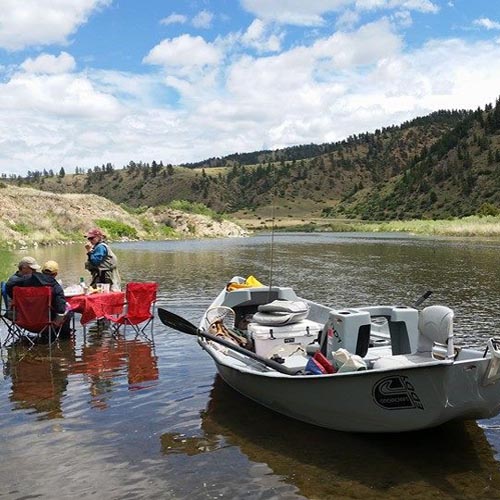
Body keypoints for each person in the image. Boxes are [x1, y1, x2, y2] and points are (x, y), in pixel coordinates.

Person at [6, 259, 73, 338]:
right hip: (46, 323)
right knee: (68, 312)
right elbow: (61, 309)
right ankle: (63, 340)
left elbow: (9, 285)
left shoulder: (23, 282)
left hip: (23, 320)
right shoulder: (55, 286)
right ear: (56, 274)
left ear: (42, 271)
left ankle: (46, 336)